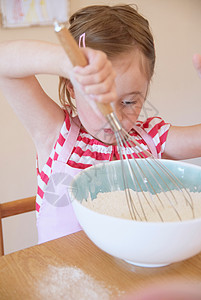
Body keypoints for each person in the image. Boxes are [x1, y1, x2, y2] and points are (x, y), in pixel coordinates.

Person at [0, 5, 200, 243]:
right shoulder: (57, 134)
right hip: (62, 276)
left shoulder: (148, 138)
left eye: (128, 101)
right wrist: (64, 63)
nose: (112, 116)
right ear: (72, 86)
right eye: (99, 101)